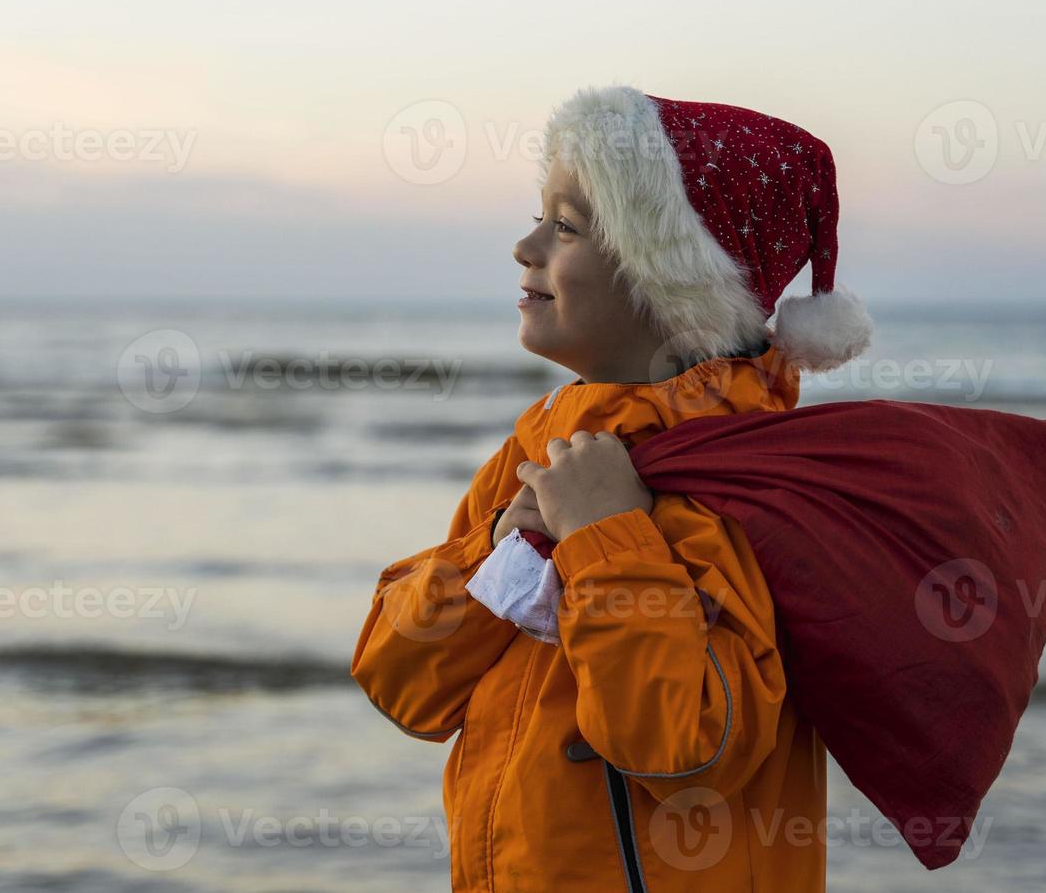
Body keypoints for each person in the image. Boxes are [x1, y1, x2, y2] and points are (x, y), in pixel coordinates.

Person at [351, 84, 872, 892]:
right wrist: (501, 549)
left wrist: (604, 538)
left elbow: (683, 745)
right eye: (540, 217)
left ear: (673, 282)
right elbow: (402, 682)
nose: (525, 246)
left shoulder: (733, 479)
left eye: (566, 226)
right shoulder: (542, 444)